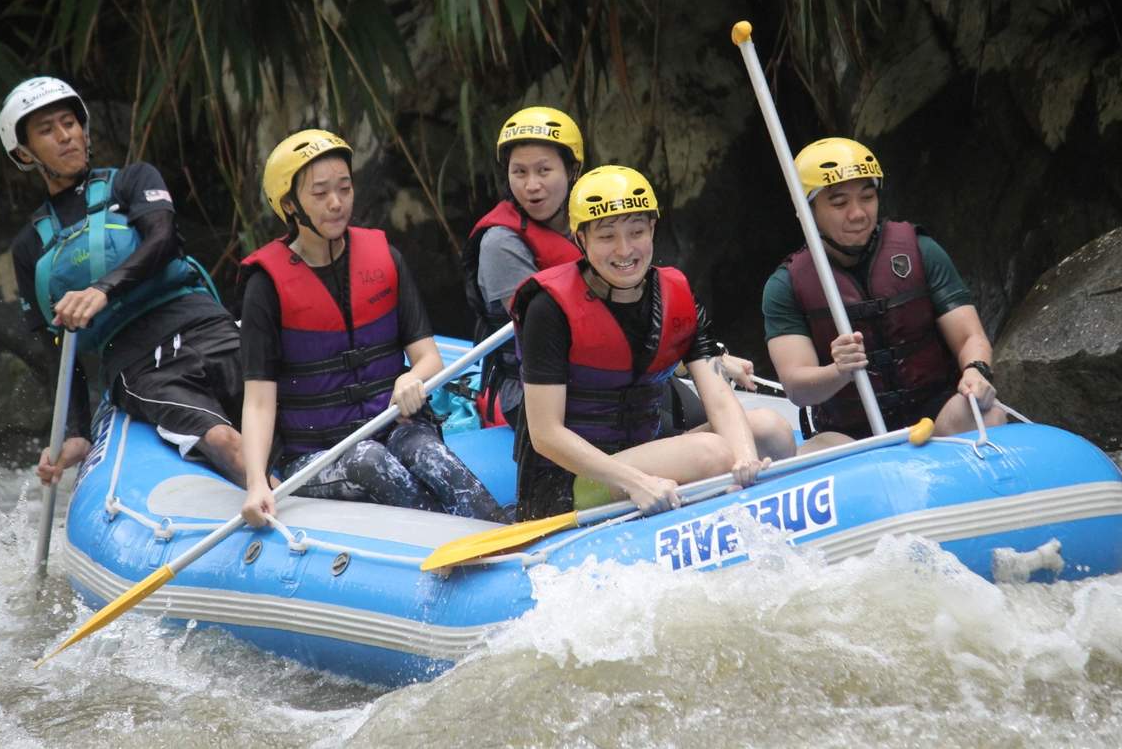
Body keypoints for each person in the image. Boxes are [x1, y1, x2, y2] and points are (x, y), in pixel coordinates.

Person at [238, 129, 506, 526]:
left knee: (428, 454)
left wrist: (411, 379)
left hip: (393, 426)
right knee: (370, 461)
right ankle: (458, 537)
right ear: (291, 205)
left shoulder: (385, 259)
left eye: (344, 188)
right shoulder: (265, 286)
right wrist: (256, 482)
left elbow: (428, 358)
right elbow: (259, 401)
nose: (336, 203)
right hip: (316, 456)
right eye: (320, 193)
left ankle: (500, 527)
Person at [510, 165, 796, 520]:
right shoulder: (548, 308)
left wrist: (745, 459)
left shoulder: (675, 294)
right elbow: (545, 435)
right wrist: (635, 481)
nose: (624, 250)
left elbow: (718, 397)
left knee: (771, 430)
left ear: (653, 230)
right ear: (580, 239)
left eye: (636, 232)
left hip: (646, 450)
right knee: (710, 452)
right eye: (606, 236)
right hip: (569, 481)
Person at [0, 77, 247, 487]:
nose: (66, 136)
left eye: (69, 123)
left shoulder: (132, 180)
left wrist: (103, 289)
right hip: (138, 363)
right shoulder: (29, 247)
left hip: (206, 325)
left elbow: (163, 238)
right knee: (225, 440)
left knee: (291, 412)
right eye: (47, 130)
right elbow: (54, 344)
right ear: (23, 152)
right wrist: (76, 433)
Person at [762, 137, 1005, 443]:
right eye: (839, 203)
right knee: (817, 449)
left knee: (986, 414)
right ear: (806, 209)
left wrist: (976, 371)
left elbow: (969, 336)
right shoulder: (785, 286)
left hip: (936, 414)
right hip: (851, 435)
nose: (858, 213)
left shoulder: (921, 251)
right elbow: (796, 386)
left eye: (867, 197)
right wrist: (838, 371)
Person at [462, 106, 584, 427]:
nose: (531, 185)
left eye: (544, 171)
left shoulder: (594, 225)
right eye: (519, 172)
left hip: (602, 368)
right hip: (528, 386)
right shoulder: (500, 243)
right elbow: (539, 335)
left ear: (572, 171)